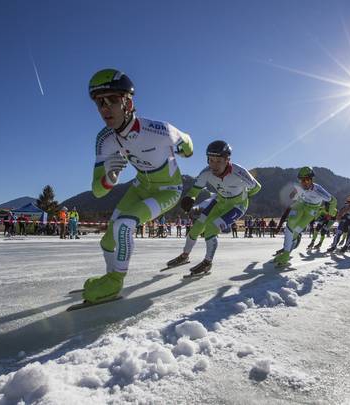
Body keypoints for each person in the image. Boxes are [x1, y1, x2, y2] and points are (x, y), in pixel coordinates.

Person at [82, 68, 193, 303]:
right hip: (140, 186)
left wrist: (185, 150)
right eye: (99, 102)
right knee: (107, 241)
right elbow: (97, 191)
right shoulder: (105, 139)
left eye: (112, 100)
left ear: (128, 102)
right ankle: (110, 275)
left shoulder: (159, 130)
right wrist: (109, 179)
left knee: (124, 225)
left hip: (168, 190)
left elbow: (188, 142)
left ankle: (115, 281)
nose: (104, 108)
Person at [166, 140, 260, 275]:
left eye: (218, 161)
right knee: (196, 229)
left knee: (211, 228)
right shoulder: (206, 172)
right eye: (211, 160)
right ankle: (184, 256)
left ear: (227, 160)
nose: (214, 165)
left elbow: (257, 188)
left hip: (237, 205)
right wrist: (189, 198)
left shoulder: (239, 172)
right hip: (219, 201)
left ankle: (207, 263)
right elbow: (194, 191)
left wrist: (245, 197)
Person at [274, 167, 337, 266]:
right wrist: (294, 193)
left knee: (295, 232)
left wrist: (329, 213)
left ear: (312, 180)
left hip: (312, 210)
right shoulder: (300, 187)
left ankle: (288, 249)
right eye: (301, 180)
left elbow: (333, 201)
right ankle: (286, 253)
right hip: (301, 205)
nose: (304, 183)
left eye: (307, 179)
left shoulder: (318, 190)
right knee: (290, 223)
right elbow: (292, 196)